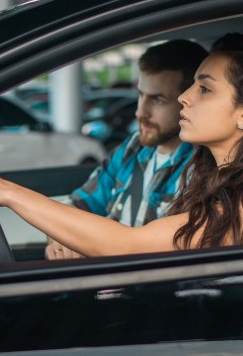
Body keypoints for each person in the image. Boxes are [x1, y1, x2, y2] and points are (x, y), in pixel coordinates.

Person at [0, 33, 243, 257]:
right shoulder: (217, 183)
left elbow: (128, 245)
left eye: (204, 89)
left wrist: (8, 192)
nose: (185, 97)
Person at [46, 39, 208, 259]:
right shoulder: (133, 148)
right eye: (140, 95)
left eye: (158, 100)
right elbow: (77, 204)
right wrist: (57, 239)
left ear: (188, 100)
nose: (140, 112)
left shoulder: (202, 165)